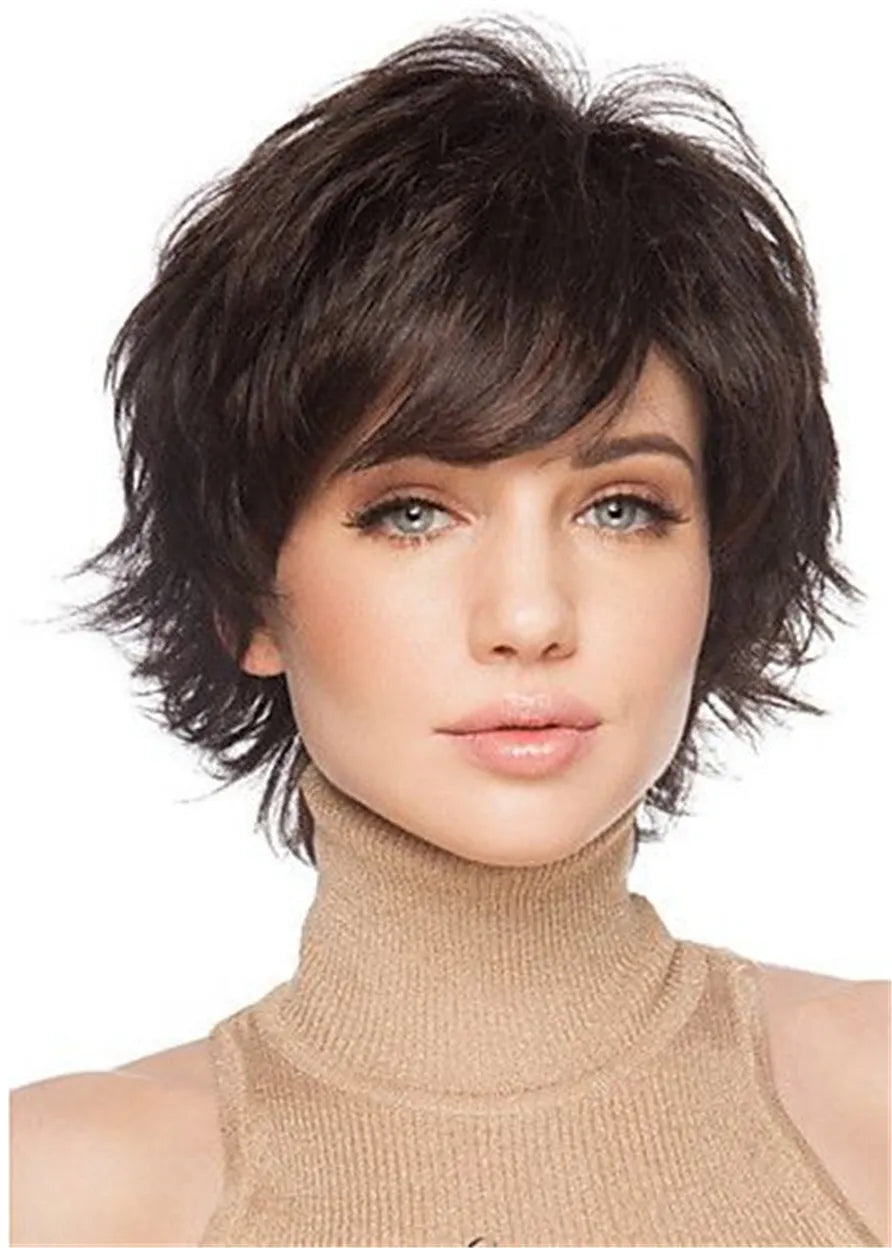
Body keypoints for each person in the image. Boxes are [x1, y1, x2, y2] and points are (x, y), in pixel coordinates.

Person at [10, 15, 889, 1248]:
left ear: (717, 567)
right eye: (411, 512)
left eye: (621, 507)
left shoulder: (870, 1105)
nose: (529, 617)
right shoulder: (59, 1191)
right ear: (246, 596)